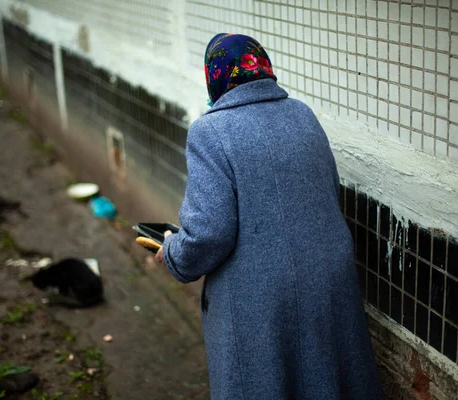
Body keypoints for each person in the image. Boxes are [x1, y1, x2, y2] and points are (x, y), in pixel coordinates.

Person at [155, 33, 383, 400]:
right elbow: (327, 189)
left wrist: (173, 251)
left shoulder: (210, 131)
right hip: (327, 285)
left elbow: (208, 233)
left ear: (215, 76)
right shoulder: (302, 114)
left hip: (263, 301)